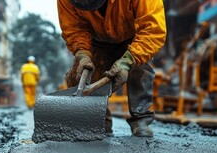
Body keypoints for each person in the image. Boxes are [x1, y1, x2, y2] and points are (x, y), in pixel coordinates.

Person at [58, 0, 167, 137]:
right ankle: (99, 122)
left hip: (134, 38)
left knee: (140, 68)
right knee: (79, 76)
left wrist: (127, 61)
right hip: (96, 40)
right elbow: (74, 28)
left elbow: (153, 30)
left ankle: (141, 120)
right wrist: (83, 54)